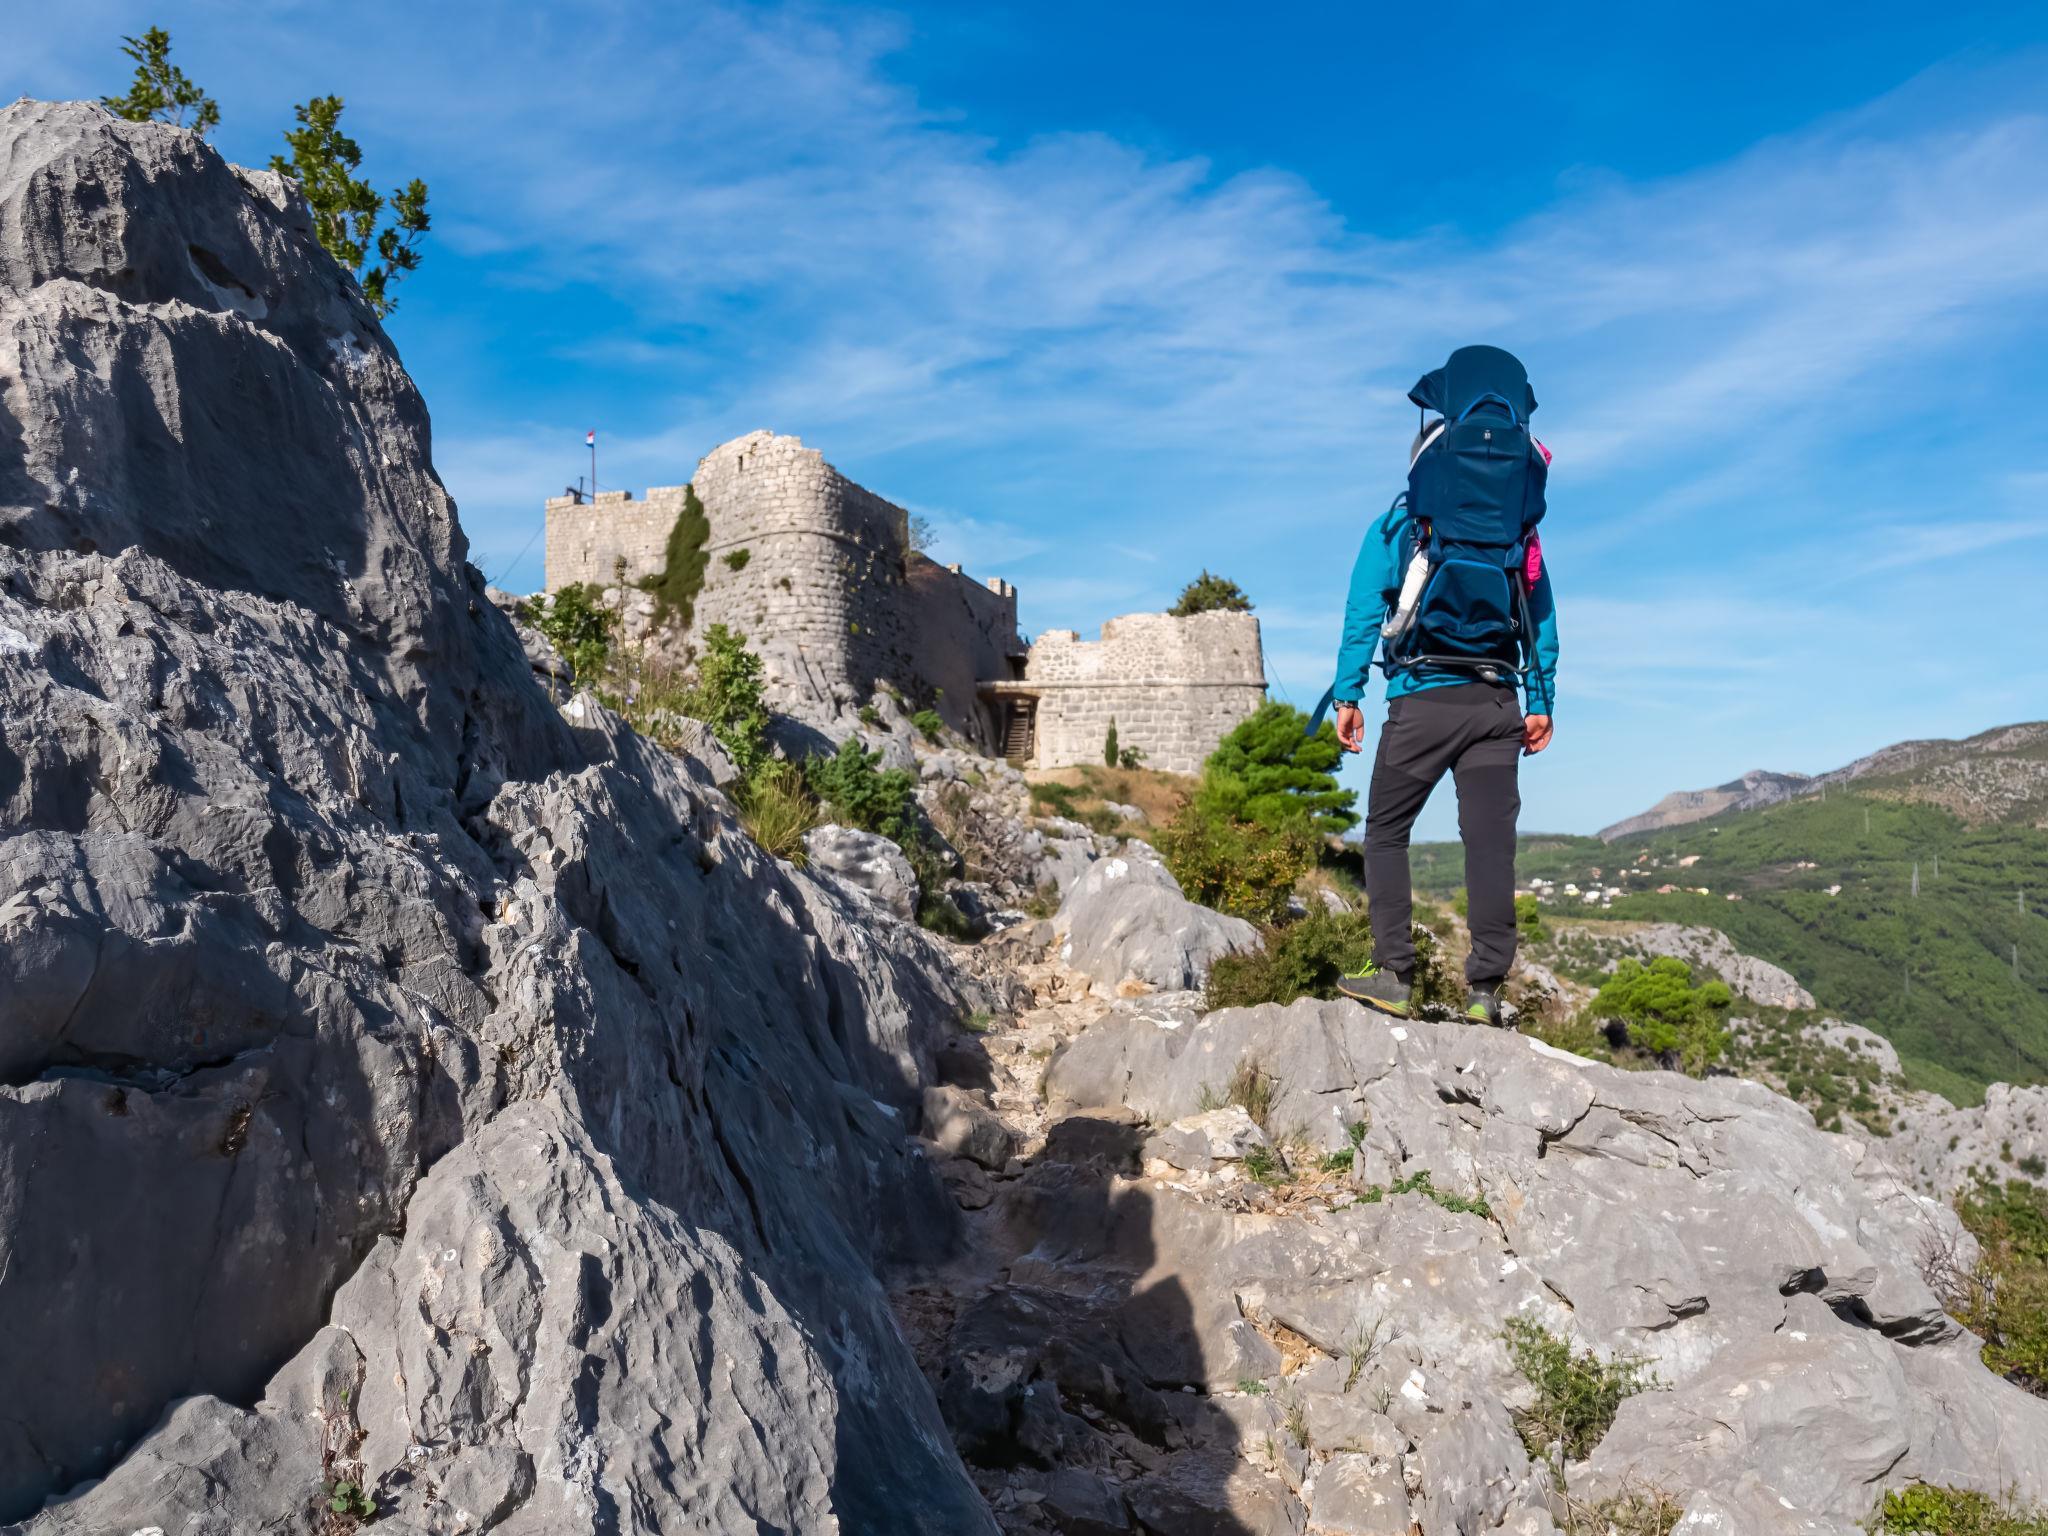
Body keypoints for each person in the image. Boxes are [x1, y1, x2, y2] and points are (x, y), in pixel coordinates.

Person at [1326, 348, 1559, 1026]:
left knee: (1386, 832)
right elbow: (1541, 617)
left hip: (1421, 703)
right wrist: (1541, 702)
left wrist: (1348, 696)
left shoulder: (1401, 524)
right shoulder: (1518, 531)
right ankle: (1485, 992)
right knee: (1489, 847)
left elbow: (1362, 612)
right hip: (1496, 706)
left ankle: (1394, 974)